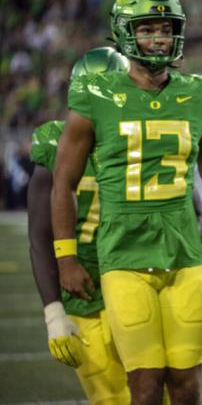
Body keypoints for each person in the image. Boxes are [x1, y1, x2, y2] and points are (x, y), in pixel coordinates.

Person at [50, 0, 202, 405]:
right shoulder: (96, 93)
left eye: (166, 27)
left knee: (187, 386)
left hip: (184, 257)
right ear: (126, 32)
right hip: (124, 257)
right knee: (143, 387)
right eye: (147, 28)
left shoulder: (199, 93)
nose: (159, 37)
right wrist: (66, 258)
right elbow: (63, 183)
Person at [29, 47, 131, 405]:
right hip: (84, 293)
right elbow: (39, 236)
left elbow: (194, 210)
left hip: (137, 283)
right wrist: (53, 312)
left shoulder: (140, 137)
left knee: (159, 394)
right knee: (113, 399)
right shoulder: (55, 142)